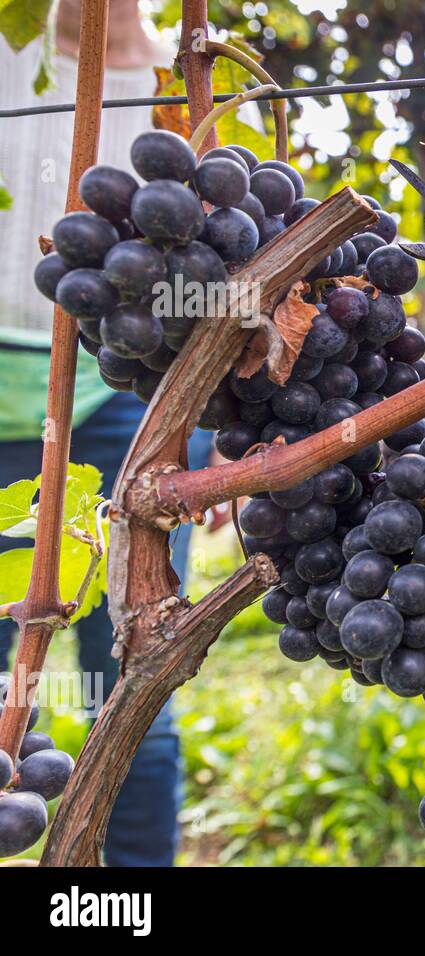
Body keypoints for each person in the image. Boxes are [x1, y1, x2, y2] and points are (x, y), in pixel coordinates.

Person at [0, 0, 213, 866]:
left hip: (127, 391)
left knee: (134, 686)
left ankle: (119, 908)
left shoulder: (188, 84)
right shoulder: (12, 46)